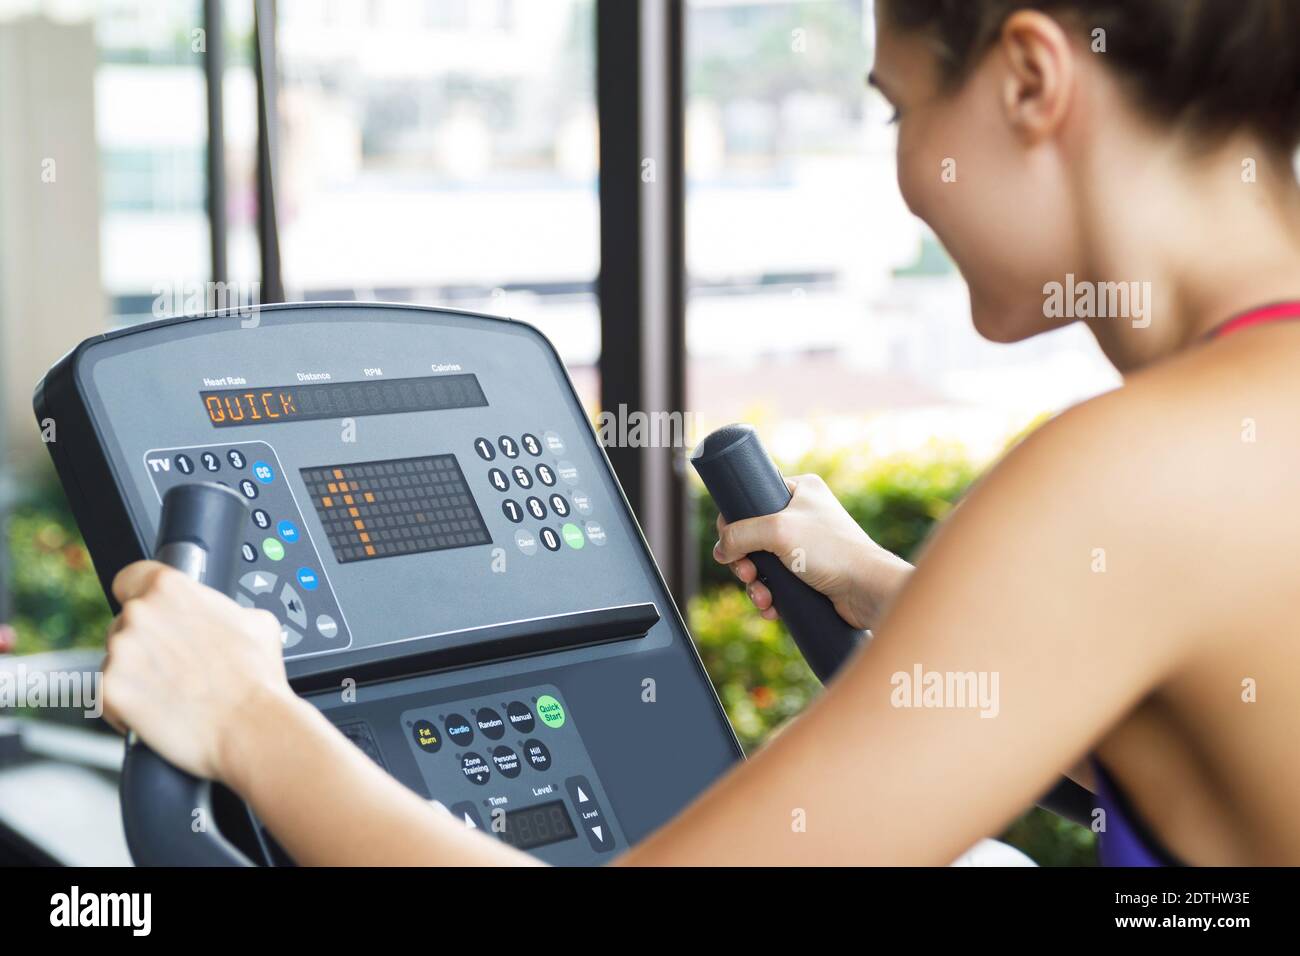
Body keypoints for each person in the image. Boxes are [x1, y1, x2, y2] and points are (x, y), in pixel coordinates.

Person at [102, 0, 1300, 865]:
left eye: (900, 109)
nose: (908, 174)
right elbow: (1206, 778)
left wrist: (246, 717)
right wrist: (898, 592)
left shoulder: (1120, 480)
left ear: (1031, 79)